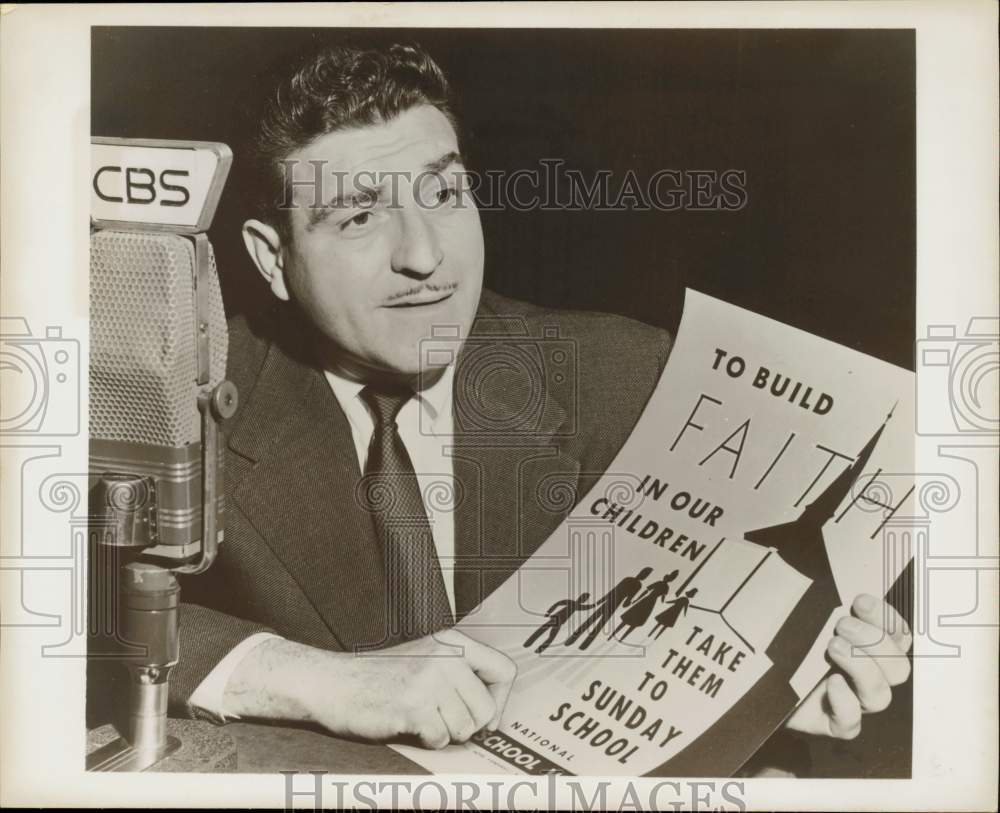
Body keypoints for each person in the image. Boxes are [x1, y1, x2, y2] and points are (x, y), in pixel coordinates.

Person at [164, 42, 912, 763]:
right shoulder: (187, 402)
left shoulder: (631, 379)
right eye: (360, 217)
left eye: (444, 193)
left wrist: (776, 697)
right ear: (272, 258)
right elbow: (81, 618)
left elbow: (698, 652)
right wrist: (312, 679)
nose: (425, 256)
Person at [612, 570, 679, 642]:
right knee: (632, 619)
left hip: (647, 601)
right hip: (650, 602)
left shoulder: (662, 585)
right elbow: (658, 596)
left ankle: (617, 636)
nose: (665, 578)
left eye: (667, 578)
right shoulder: (665, 587)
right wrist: (637, 599)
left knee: (632, 619)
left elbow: (648, 591)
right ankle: (618, 636)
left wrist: (637, 599)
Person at [523, 592, 595, 654]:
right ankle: (535, 648)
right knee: (548, 635)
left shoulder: (575, 604)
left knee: (542, 632)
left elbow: (586, 607)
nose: (584, 600)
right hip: (558, 619)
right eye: (584, 598)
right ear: (581, 598)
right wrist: (549, 611)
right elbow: (558, 603)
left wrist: (549, 612)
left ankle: (530, 645)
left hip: (557, 619)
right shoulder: (573, 603)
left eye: (585, 599)